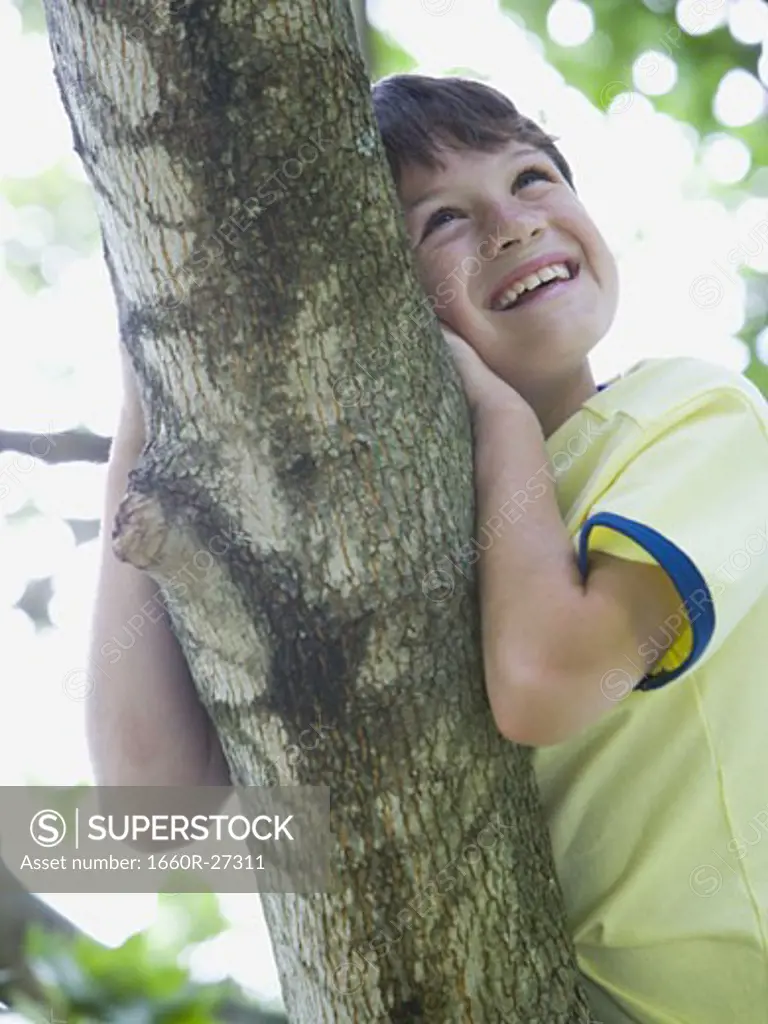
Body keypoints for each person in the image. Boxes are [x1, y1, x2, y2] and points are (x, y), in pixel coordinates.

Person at [88, 72, 768, 1022]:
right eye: (442, 219)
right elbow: (148, 823)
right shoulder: (381, 545)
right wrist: (144, 400)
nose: (514, 224)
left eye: (532, 176)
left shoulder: (694, 415)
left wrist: (502, 418)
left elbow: (544, 683)